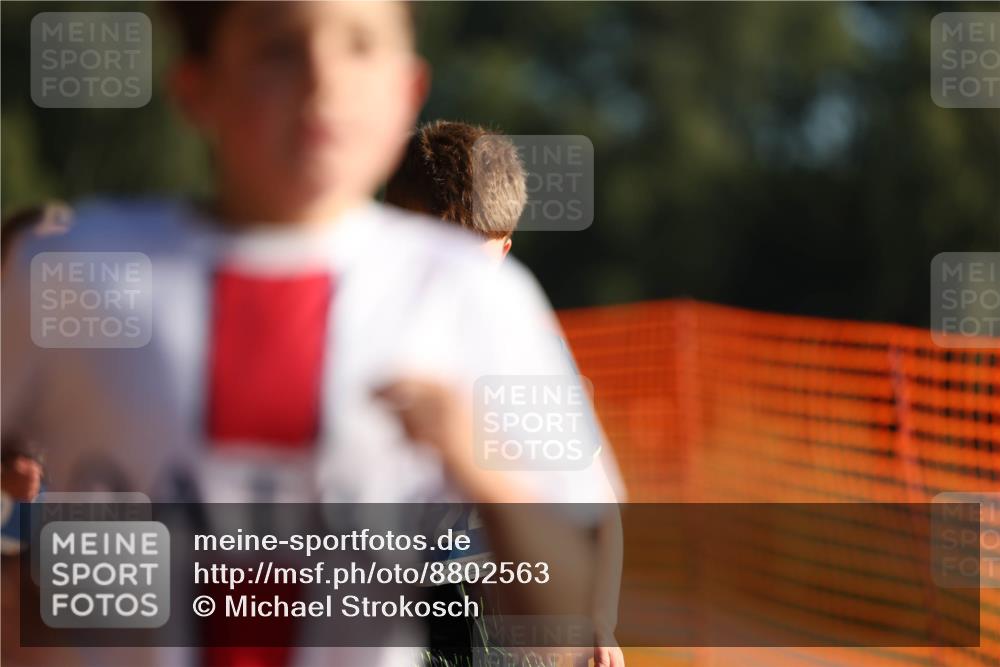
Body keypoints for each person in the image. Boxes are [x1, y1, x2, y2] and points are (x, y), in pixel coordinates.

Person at [2, 3, 620, 667]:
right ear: (195, 84)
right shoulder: (75, 273)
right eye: (278, 49)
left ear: (406, 91)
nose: (322, 81)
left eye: (359, 46)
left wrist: (477, 461)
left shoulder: (479, 298)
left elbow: (562, 613)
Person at [386, 120, 626, 667]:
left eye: (476, 255)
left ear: (506, 249)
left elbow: (592, 505)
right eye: (435, 250)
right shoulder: (352, 339)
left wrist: (598, 618)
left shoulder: (525, 353)